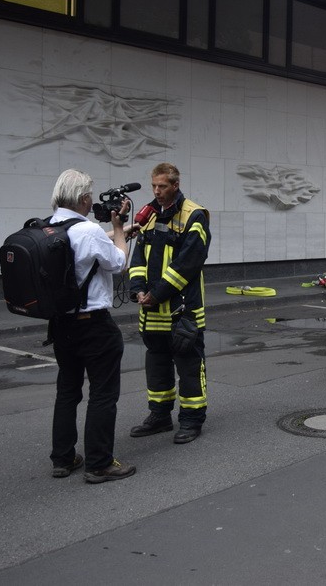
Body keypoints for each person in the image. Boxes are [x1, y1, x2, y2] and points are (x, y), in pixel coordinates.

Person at [47, 169, 136, 484]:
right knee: (102, 392)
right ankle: (99, 464)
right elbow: (118, 263)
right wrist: (119, 230)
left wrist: (115, 231)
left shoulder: (49, 226)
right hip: (94, 326)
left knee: (67, 391)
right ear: (84, 198)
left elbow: (82, 254)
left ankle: (64, 458)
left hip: (61, 325)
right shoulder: (88, 230)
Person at [128, 163, 211, 444]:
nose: (156, 191)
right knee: (157, 366)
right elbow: (138, 257)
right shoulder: (149, 216)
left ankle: (191, 419)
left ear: (175, 185)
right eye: (153, 186)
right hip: (152, 312)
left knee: (189, 366)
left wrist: (158, 293)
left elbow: (187, 265)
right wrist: (138, 289)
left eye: (162, 186)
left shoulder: (194, 216)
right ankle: (160, 416)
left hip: (182, 311)